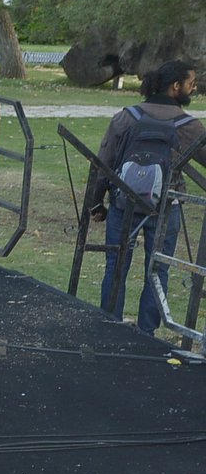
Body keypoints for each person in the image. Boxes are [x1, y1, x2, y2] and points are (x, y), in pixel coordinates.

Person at [87, 60, 204, 335]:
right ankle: (147, 333)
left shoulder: (126, 117)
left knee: (115, 266)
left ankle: (110, 328)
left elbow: (103, 162)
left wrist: (96, 202)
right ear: (176, 87)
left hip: (122, 204)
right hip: (165, 208)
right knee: (158, 270)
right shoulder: (189, 126)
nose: (194, 88)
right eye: (191, 83)